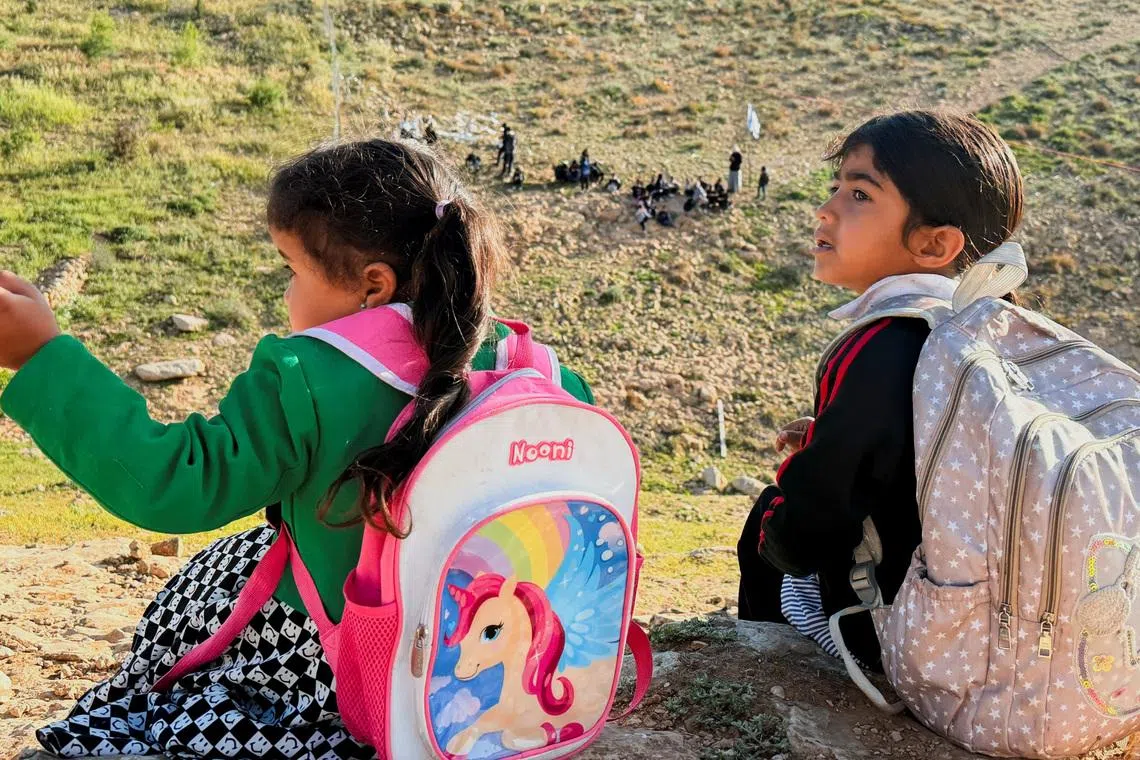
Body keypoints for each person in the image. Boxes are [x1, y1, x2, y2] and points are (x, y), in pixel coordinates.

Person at [0, 139, 596, 757]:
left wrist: (41, 356)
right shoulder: (545, 375)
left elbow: (175, 482)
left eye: (290, 268)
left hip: (335, 669)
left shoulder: (305, 376)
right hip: (473, 655)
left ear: (372, 285)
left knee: (202, 597)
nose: (285, 292)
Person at [736, 111, 1025, 669]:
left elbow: (817, 514)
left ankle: (765, 663)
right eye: (835, 188)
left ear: (935, 243)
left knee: (769, 517)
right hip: (987, 630)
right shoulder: (986, 328)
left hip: (894, 630)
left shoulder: (887, 341)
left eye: (860, 195)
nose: (826, 209)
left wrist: (806, 478)